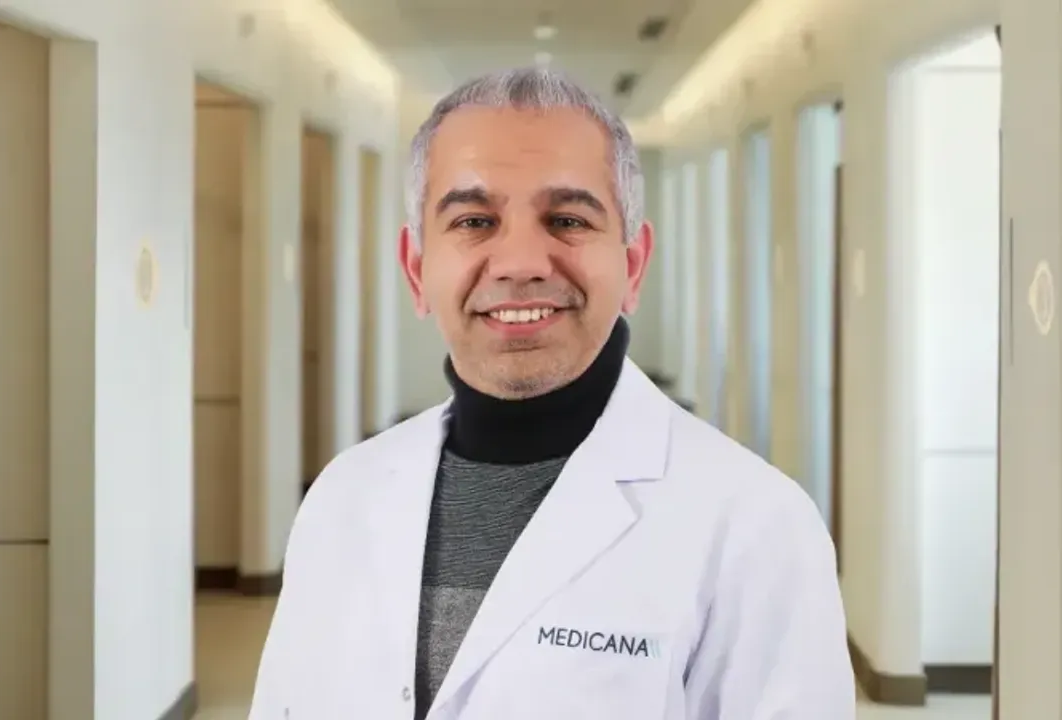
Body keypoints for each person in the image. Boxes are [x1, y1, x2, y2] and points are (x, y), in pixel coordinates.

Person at [247, 67, 855, 720]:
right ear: (417, 270)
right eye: (474, 220)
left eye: (567, 219)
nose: (521, 263)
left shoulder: (758, 527)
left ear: (633, 265)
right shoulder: (341, 499)